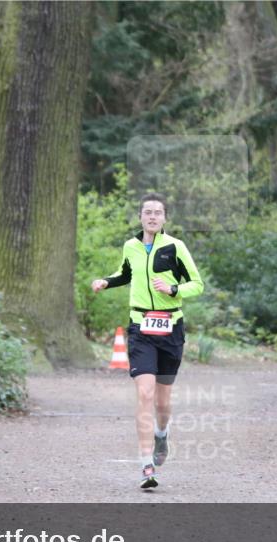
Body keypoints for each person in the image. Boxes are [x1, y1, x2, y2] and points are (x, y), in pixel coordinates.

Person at [91, 192, 204, 489]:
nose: (152, 216)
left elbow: (197, 284)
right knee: (144, 394)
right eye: (147, 212)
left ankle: (162, 434)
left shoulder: (175, 247)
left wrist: (173, 289)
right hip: (140, 328)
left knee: (162, 403)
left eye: (157, 212)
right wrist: (105, 281)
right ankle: (146, 466)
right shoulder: (131, 246)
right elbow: (125, 273)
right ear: (140, 217)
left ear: (164, 218)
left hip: (170, 329)